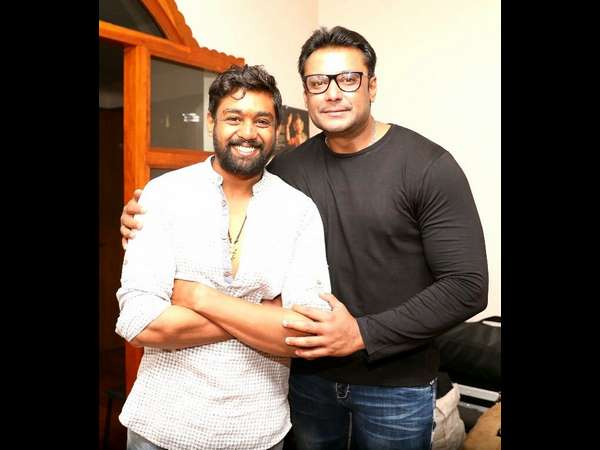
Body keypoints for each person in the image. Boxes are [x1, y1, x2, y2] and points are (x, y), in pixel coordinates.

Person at [120, 26, 489, 450]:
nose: (332, 93)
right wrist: (139, 216)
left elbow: (467, 286)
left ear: (371, 85)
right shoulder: (285, 170)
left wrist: (362, 333)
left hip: (395, 382)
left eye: (347, 79)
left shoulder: (427, 166)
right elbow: (226, 186)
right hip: (306, 380)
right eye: (318, 82)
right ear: (307, 93)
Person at [115, 64, 333, 450]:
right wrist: (262, 313)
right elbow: (139, 323)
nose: (248, 132)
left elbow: (305, 332)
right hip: (160, 427)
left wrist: (199, 297)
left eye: (262, 121)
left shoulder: (298, 210)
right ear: (211, 122)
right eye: (234, 117)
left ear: (277, 130)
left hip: (258, 432)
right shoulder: (163, 195)